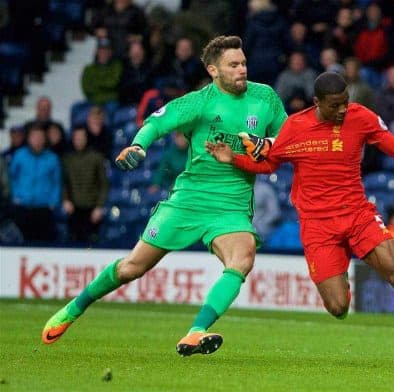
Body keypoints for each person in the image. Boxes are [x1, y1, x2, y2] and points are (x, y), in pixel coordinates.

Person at [41, 35, 288, 357]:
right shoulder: (199, 102)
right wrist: (139, 145)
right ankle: (73, 309)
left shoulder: (264, 97)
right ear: (214, 70)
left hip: (231, 206)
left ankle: (196, 331)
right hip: (189, 199)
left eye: (243, 63)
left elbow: (287, 138)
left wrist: (266, 146)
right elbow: (156, 123)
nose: (242, 69)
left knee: (242, 259)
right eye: (233, 65)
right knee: (132, 267)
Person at [206, 71, 394, 366]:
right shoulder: (295, 127)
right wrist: (234, 159)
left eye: (346, 101)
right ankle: (339, 271)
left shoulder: (361, 118)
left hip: (357, 214)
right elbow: (269, 164)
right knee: (338, 307)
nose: (343, 109)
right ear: (317, 102)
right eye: (335, 105)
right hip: (317, 225)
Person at [62, 127, 109, 244]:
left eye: (81, 138)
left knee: (92, 243)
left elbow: (103, 183)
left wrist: (99, 206)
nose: (79, 141)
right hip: (73, 209)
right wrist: (65, 199)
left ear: (86, 139)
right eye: (76, 138)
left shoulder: (96, 157)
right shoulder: (67, 159)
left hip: (92, 209)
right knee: (72, 242)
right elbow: (64, 182)